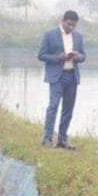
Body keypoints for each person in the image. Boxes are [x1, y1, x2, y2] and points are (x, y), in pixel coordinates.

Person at [38, 10, 86, 149]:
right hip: (57, 76)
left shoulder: (78, 37)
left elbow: (84, 56)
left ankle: (62, 140)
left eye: (74, 26)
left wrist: (78, 57)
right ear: (63, 21)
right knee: (53, 107)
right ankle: (47, 139)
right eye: (69, 24)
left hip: (72, 76)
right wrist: (58, 58)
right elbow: (41, 55)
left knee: (68, 109)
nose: (71, 28)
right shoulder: (49, 35)